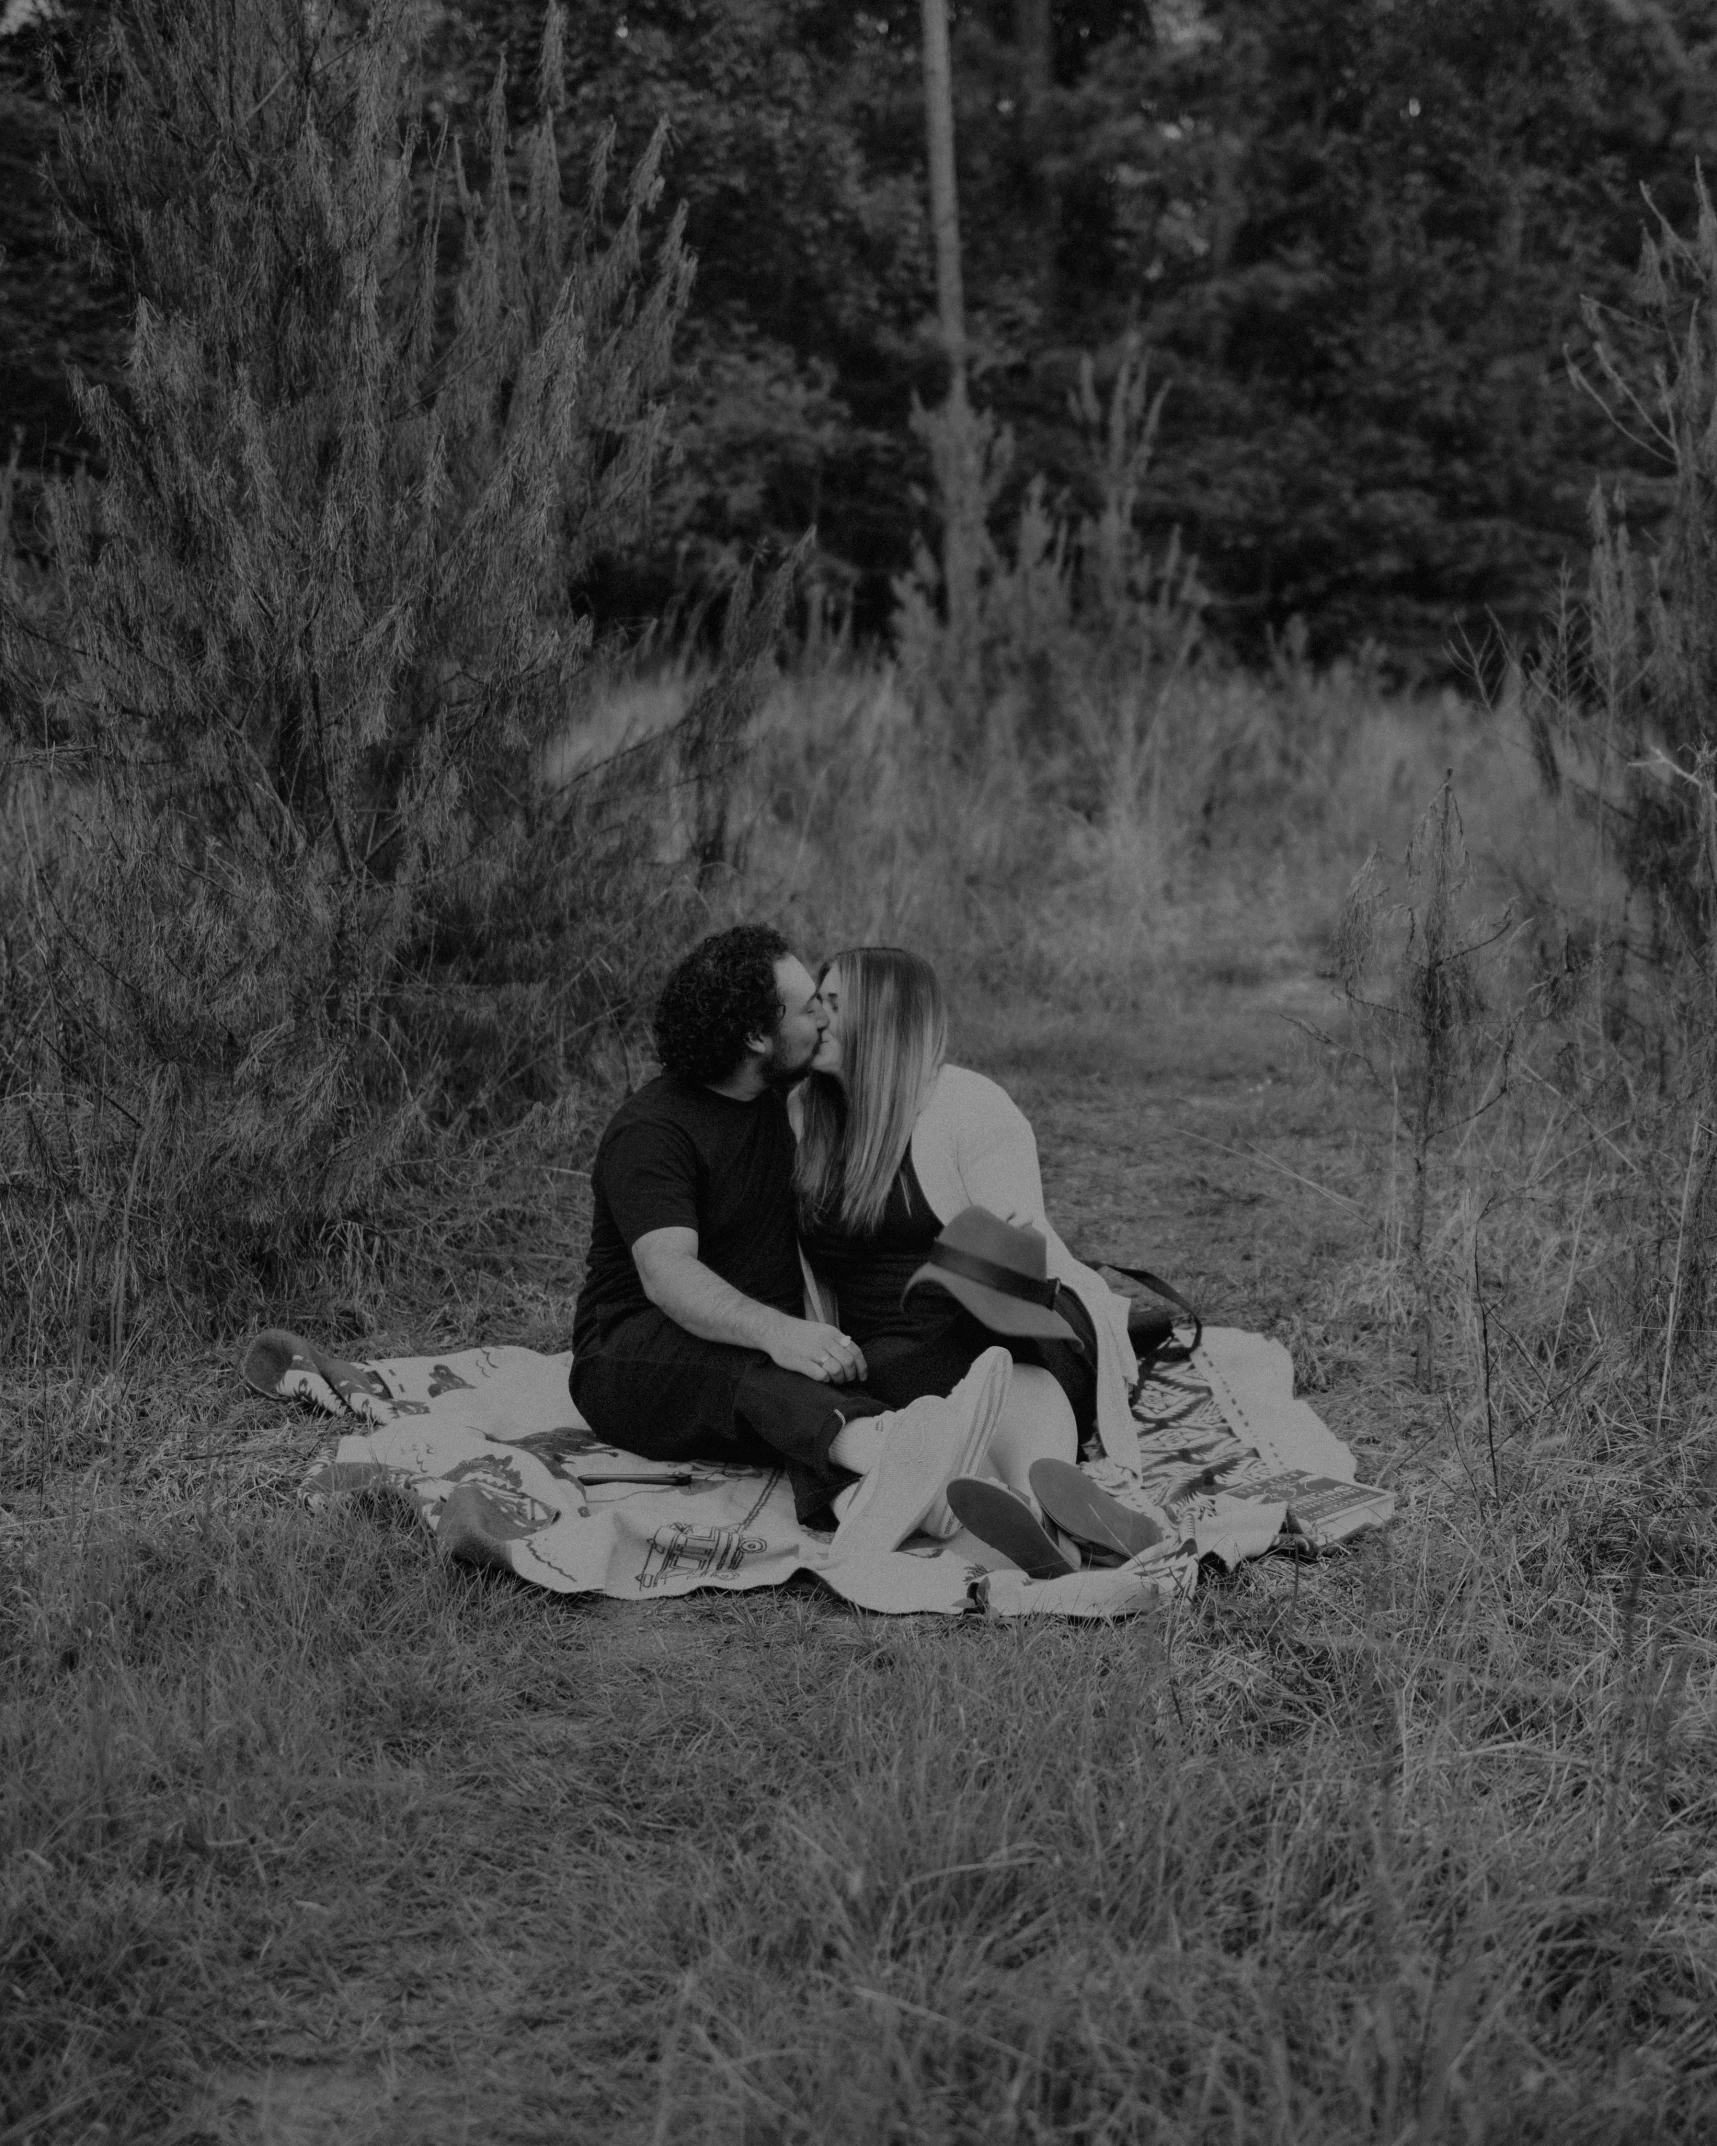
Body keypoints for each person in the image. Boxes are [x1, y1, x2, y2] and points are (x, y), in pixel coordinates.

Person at [569, 925, 1014, 1559]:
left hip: (769, 1359)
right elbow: (667, 1274)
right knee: (752, 1371)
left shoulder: (790, 1109)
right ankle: (887, 1450)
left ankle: (867, 1497)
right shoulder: (652, 1131)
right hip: (636, 1358)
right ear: (756, 1035)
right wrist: (781, 1332)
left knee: (917, 1354)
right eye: (811, 1008)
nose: (827, 1019)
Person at [793, 947, 1142, 1509]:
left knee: (983, 1368)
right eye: (816, 1003)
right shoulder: (804, 1116)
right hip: (879, 1355)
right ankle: (1017, 1505)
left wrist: (990, 1244)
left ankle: (1037, 1498)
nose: (819, 1019)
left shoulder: (969, 1106)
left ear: (886, 1019)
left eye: (835, 1004)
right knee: (828, 1393)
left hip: (1000, 1330)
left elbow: (1021, 1273)